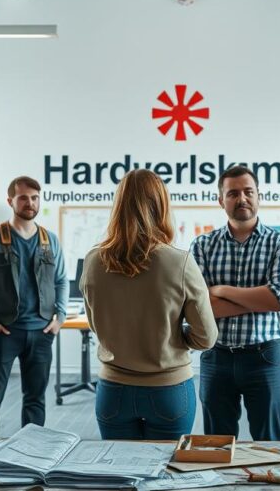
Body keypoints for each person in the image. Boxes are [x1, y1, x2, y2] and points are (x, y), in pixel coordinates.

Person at [79, 169, 217, 439]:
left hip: (113, 390)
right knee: (164, 476)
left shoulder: (94, 260)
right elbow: (206, 338)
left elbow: (97, 326)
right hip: (169, 390)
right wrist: (173, 336)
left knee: (120, 475)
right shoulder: (179, 262)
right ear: (161, 206)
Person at [191, 165, 280, 441]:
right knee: (216, 445)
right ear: (220, 200)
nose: (242, 199)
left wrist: (222, 290)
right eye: (233, 193)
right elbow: (199, 307)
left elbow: (279, 299)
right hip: (217, 356)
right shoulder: (202, 245)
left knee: (270, 444)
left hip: (264, 357)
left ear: (259, 196)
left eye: (248, 192)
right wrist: (259, 299)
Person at [0, 176, 69, 433]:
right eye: (23, 198)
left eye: (34, 198)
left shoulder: (50, 240)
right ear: (10, 201)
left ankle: (32, 451)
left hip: (41, 333)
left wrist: (59, 319)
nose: (30, 203)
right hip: (3, 333)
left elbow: (62, 280)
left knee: (35, 400)